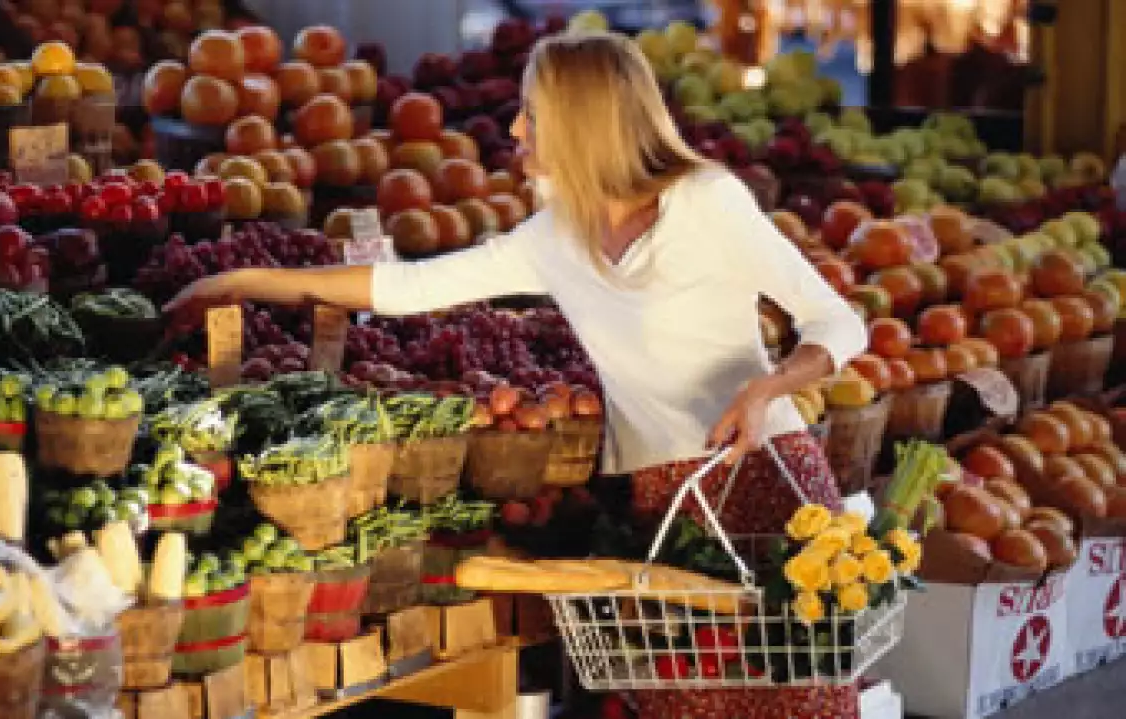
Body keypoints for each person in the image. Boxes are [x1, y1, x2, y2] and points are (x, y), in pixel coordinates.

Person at [166, 31, 866, 719]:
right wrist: (250, 278)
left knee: (788, 698)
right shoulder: (556, 235)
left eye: (532, 111)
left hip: (768, 482)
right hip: (665, 500)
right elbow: (406, 286)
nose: (515, 126)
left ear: (581, 120)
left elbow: (838, 323)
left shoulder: (706, 201)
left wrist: (768, 387)